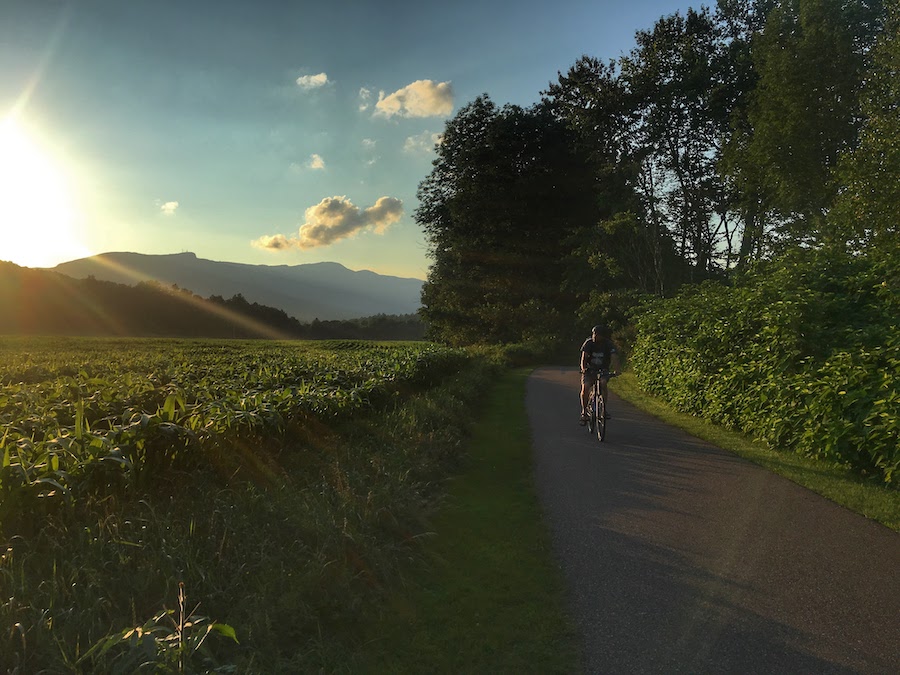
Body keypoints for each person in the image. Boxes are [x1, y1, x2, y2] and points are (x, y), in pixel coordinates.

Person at [580, 324, 619, 424]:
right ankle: (584, 411)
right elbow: (584, 357)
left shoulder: (608, 344)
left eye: (597, 334)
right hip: (590, 370)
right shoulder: (588, 343)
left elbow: (614, 356)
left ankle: (603, 409)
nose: (594, 336)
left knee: (603, 383)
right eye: (593, 334)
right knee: (586, 387)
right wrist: (583, 368)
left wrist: (616, 370)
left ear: (603, 336)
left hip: (603, 370)